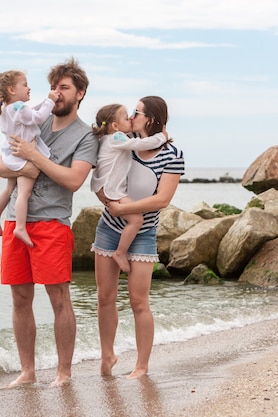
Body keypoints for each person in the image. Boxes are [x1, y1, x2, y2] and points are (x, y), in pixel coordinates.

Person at [0, 58, 98, 387]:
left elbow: (73, 180)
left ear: (80, 93)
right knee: (20, 299)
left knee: (59, 298)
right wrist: (25, 166)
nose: (57, 93)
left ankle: (64, 373)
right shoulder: (31, 119)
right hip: (15, 221)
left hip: (52, 223)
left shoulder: (86, 137)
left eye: (64, 88)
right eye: (54, 87)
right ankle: (27, 372)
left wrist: (33, 158)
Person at [92, 96, 184, 379]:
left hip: (143, 233)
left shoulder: (173, 155)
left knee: (138, 302)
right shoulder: (123, 143)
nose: (131, 115)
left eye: (137, 112)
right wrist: (110, 205)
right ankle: (107, 356)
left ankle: (141, 366)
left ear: (152, 119)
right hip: (108, 228)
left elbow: (162, 200)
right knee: (105, 298)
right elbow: (101, 176)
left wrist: (125, 209)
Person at [90, 103, 169, 273]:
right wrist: (162, 137)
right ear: (115, 126)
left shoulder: (107, 138)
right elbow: (140, 144)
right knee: (137, 220)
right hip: (112, 190)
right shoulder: (117, 138)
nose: (131, 119)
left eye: (134, 114)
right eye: (127, 117)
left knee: (134, 219)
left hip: (104, 187)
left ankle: (120, 251)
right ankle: (120, 252)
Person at [0, 70, 60, 247]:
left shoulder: (11, 109)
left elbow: (33, 111)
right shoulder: (19, 107)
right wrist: (50, 100)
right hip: (23, 156)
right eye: (25, 84)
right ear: (12, 90)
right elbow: (39, 117)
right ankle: (20, 227)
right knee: (23, 193)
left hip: (11, 154)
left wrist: (46, 101)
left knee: (9, 189)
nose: (29, 88)